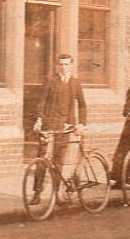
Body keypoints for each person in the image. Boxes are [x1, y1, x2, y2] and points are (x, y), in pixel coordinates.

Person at [29, 54, 87, 205]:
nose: (63, 67)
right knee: (42, 160)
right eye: (61, 64)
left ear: (71, 66)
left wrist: (81, 123)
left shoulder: (75, 83)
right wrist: (39, 119)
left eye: (66, 64)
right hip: (49, 126)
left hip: (65, 128)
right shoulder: (50, 81)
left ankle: (56, 194)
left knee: (58, 161)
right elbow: (41, 101)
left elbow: (82, 105)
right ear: (57, 66)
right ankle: (37, 193)